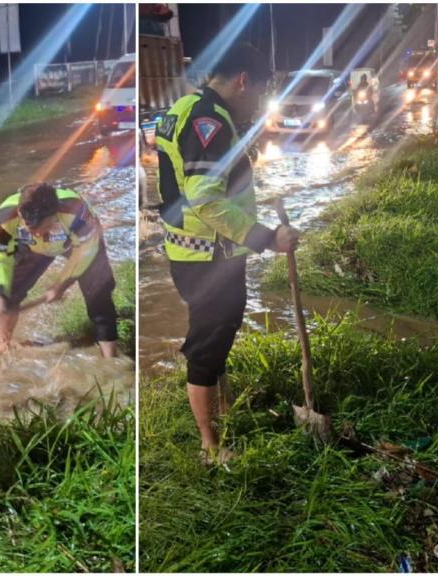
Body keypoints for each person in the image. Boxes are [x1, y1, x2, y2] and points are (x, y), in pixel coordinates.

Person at [155, 43, 299, 464]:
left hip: (191, 252)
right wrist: (268, 238)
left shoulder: (183, 107)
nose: (257, 99)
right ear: (242, 81)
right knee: (207, 346)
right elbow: (206, 201)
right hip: (208, 258)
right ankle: (211, 446)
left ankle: (222, 409)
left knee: (216, 336)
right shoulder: (209, 122)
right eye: (259, 89)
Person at [0, 182, 118, 358]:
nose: (40, 234)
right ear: (20, 213)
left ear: (55, 213)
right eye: (32, 229)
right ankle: (2, 347)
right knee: (9, 294)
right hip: (32, 249)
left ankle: (110, 357)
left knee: (99, 294)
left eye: (45, 227)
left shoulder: (76, 211)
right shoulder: (3, 218)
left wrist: (61, 284)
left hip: (78, 245)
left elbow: (86, 252)